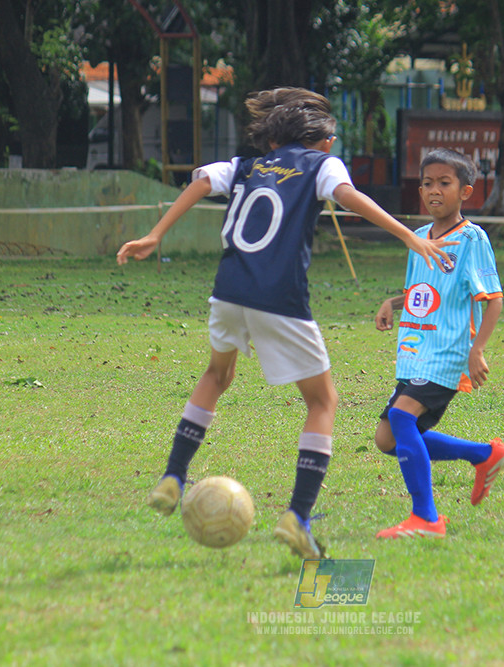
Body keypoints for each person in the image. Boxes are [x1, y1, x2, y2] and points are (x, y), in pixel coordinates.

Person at [116, 87, 454, 559]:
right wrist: (407, 236)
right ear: (318, 140)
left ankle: (173, 475)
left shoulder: (247, 165)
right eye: (330, 138)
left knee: (216, 375)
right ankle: (297, 515)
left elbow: (199, 182)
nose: (333, 146)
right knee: (323, 401)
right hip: (278, 296)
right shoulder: (321, 165)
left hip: (228, 289)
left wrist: (155, 234)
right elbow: (349, 197)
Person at [372, 149, 504, 539]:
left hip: (448, 352)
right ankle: (485, 455)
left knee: (401, 418)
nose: (434, 191)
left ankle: (426, 518)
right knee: (387, 438)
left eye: (444, 183)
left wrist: (477, 350)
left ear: (465, 191)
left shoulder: (471, 238)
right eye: (428, 183)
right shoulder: (417, 238)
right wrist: (392, 303)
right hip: (415, 352)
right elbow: (423, 290)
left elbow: (494, 297)